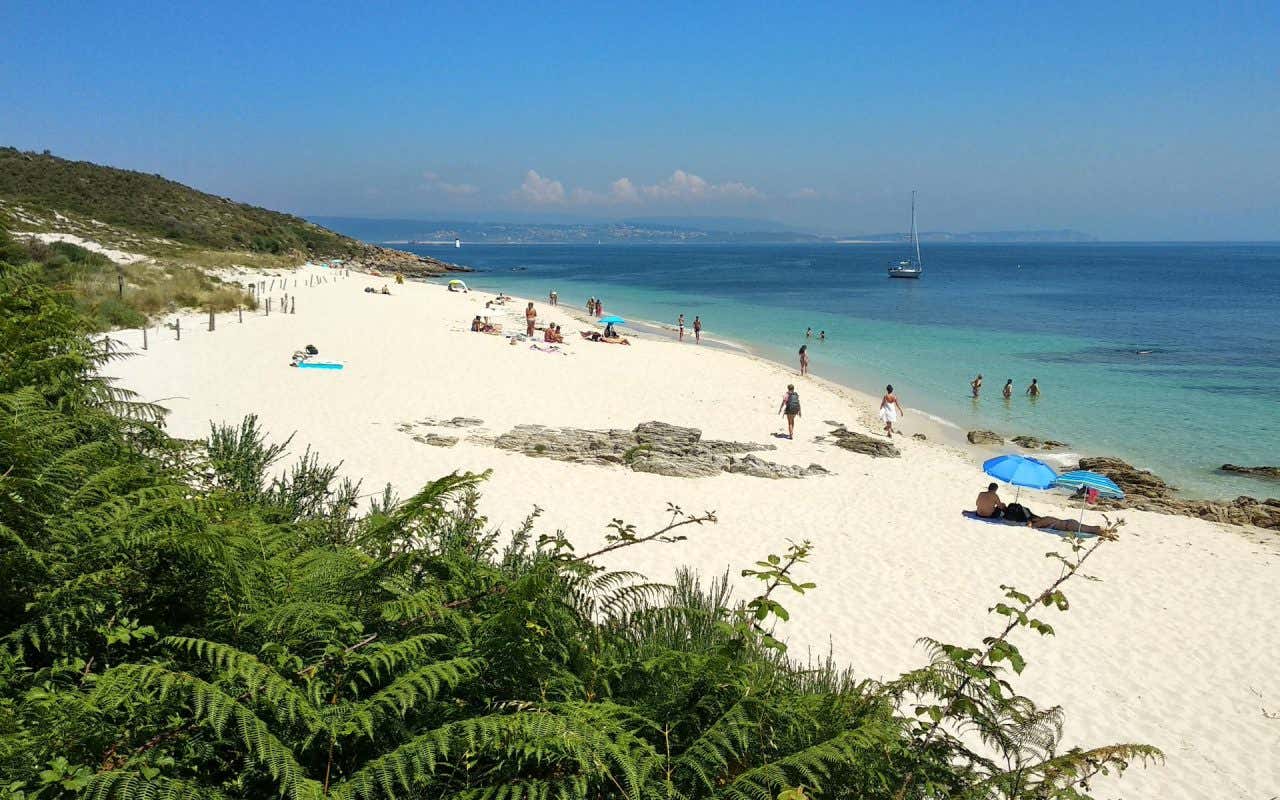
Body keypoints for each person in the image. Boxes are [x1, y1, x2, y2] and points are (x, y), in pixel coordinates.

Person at [1028, 516, 1104, 535]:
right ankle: (1099, 528)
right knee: (1085, 527)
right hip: (1069, 522)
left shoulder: (1042, 521)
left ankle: (1100, 531)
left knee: (1086, 530)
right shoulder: (1046, 518)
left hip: (1067, 526)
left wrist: (1030, 523)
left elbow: (1033, 526)